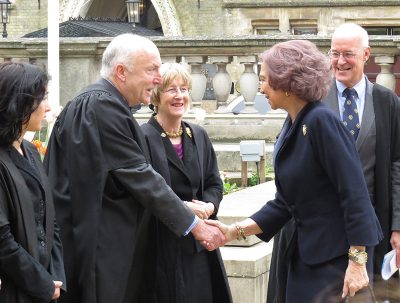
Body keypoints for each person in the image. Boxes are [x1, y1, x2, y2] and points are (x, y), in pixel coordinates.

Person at [43, 34, 225, 303]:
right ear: (121, 72)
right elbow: (139, 175)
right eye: (151, 69)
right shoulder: (101, 106)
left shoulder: (101, 104)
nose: (157, 78)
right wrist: (194, 224)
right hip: (98, 248)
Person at [206, 40, 383, 303]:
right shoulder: (293, 123)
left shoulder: (321, 121)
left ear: (287, 82)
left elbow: (355, 195)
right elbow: (286, 202)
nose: (261, 87)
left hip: (333, 264)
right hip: (304, 256)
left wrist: (357, 263)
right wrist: (235, 231)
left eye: (265, 79)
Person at [267, 23, 400, 303]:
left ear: (366, 54)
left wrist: (398, 226)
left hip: (367, 226)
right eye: (334, 53)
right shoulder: (311, 100)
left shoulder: (387, 101)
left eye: (348, 54)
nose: (340, 61)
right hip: (317, 233)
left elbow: (397, 165)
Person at [141, 63, 232, 303]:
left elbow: (214, 184)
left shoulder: (198, 135)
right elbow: (144, 194)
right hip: (162, 250)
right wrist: (183, 207)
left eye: (184, 89)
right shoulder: (142, 138)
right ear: (156, 96)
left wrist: (209, 206)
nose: (179, 96)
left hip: (199, 249)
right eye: (171, 89)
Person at [0, 62, 66, 302]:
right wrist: (41, 282)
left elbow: (51, 221)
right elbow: (2, 240)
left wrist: (56, 277)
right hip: (13, 289)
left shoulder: (30, 150)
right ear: (20, 102)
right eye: (43, 98)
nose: (48, 108)